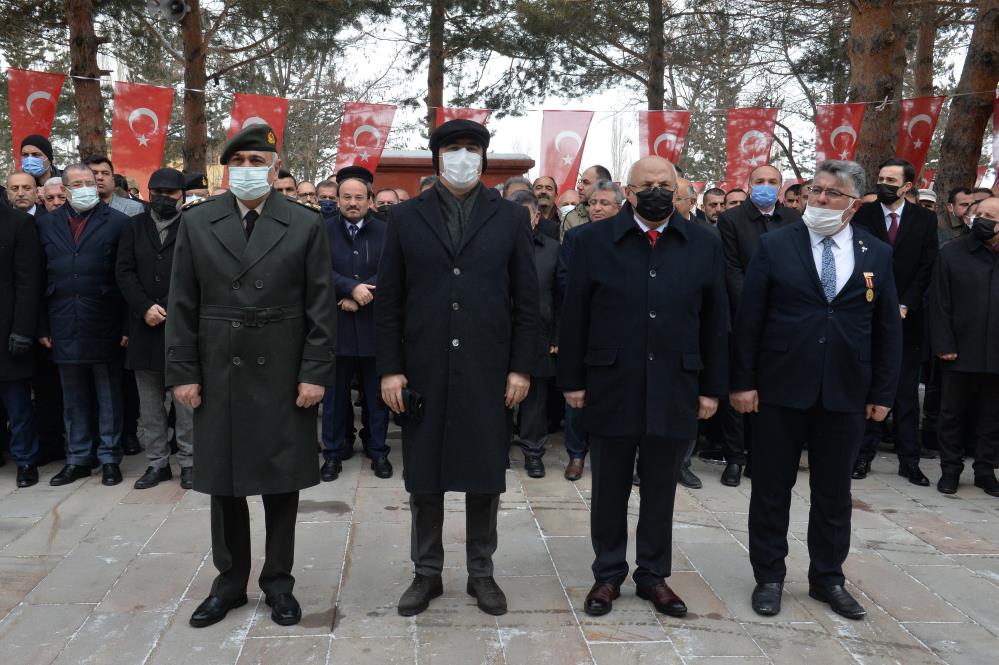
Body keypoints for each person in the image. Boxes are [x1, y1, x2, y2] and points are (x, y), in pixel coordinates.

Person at [165, 124, 336, 628]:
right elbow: (182, 304)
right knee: (226, 483)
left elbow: (320, 308)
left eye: (257, 162)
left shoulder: (304, 224)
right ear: (225, 170)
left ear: (275, 166)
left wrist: (314, 373)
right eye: (237, 163)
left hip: (282, 369)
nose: (247, 172)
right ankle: (229, 583)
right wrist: (183, 372)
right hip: (220, 368)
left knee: (283, 484)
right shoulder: (197, 223)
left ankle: (278, 584)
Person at [376, 119, 539, 618]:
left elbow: (528, 302)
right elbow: (390, 302)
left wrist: (521, 369)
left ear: (484, 158)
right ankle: (426, 573)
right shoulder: (406, 218)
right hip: (423, 366)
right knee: (423, 476)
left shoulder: (509, 217)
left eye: (472, 148)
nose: (463, 156)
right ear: (437, 157)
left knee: (485, 472)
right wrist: (390, 369)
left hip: (488, 367)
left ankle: (481, 572)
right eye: (453, 148)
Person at [558, 155, 728, 618]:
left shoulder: (704, 243)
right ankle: (608, 574)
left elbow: (716, 320)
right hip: (611, 380)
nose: (656, 190)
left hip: (676, 382)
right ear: (628, 192)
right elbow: (574, 316)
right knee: (609, 485)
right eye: (645, 184)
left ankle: (654, 574)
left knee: (661, 488)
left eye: (664, 183)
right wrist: (572, 381)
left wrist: (712, 387)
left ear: (677, 190)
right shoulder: (591, 241)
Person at [731, 160, 901, 620]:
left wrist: (883, 393)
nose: (820, 200)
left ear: (856, 203)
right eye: (815, 191)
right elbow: (750, 320)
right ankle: (769, 575)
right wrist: (742, 383)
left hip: (845, 392)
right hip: (780, 388)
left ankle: (827, 577)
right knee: (771, 487)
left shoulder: (876, 253)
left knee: (833, 492)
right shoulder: (775, 245)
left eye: (832, 194)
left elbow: (886, 329)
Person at [36, 163, 132, 487]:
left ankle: (109, 458)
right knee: (73, 396)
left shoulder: (118, 222)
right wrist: (41, 325)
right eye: (77, 183)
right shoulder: (46, 225)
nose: (85, 187)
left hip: (105, 318)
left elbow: (126, 277)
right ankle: (78, 457)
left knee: (108, 394)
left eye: (89, 181)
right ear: (64, 189)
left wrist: (127, 326)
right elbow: (37, 277)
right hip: (62, 319)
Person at [851, 158, 938, 485]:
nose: (883, 184)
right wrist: (878, 302)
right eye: (881, 177)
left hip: (908, 319)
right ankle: (862, 455)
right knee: (871, 389)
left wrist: (904, 304)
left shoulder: (924, 221)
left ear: (907, 186)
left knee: (904, 394)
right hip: (868, 315)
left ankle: (909, 460)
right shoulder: (863, 215)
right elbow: (859, 261)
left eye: (891, 180)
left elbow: (927, 268)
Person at [115, 168, 195, 490]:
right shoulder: (133, 227)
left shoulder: (192, 226)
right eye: (157, 192)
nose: (163, 198)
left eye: (170, 193)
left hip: (182, 329)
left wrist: (171, 306)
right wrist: (144, 307)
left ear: (182, 195)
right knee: (149, 406)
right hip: (144, 327)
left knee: (185, 402)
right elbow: (124, 271)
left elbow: (198, 273)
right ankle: (157, 463)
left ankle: (189, 462)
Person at [321, 165, 392, 482]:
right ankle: (333, 454)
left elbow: (394, 271)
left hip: (374, 327)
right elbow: (317, 270)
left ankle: (378, 451)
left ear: (370, 200)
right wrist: (350, 287)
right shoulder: (322, 231)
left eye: (359, 197)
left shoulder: (387, 231)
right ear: (336, 200)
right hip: (336, 327)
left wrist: (365, 292)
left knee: (377, 398)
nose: (353, 202)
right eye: (346, 197)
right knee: (334, 398)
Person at [930, 196, 999, 496]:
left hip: (996, 351)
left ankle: (985, 470)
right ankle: (950, 470)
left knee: (992, 416)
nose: (981, 219)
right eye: (978, 213)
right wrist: (944, 343)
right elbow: (940, 302)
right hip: (959, 347)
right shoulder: (953, 252)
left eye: (990, 215)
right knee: (952, 414)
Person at [556, 180, 623, 481]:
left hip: (620, 332)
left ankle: (616, 457)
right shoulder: (576, 237)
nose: (596, 208)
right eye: (593, 203)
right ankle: (576, 455)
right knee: (577, 397)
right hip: (585, 327)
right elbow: (565, 280)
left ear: (620, 207)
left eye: (604, 203)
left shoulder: (630, 238)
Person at [507, 190, 559, 478]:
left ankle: (533, 452)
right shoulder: (495, 246)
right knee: (498, 397)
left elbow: (561, 296)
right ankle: (498, 449)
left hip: (539, 334)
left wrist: (557, 337)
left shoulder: (553, 249)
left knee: (535, 399)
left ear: (536, 217)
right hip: (500, 334)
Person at [0, 194, 43, 487]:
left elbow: (29, 282)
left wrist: (23, 329)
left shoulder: (19, 224)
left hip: (8, 331)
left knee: (17, 404)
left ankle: (26, 460)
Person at [562, 164, 613, 233]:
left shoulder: (618, 216)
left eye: (586, 183)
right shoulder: (571, 218)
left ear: (603, 186)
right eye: (580, 182)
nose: (579, 187)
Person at [532, 176, 561, 241]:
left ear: (556, 196)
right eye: (538, 188)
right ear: (532, 193)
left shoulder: (564, 220)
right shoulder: (525, 218)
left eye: (549, 188)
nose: (543, 191)